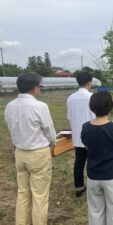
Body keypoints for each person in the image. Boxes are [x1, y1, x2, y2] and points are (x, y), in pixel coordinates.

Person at [4, 72, 56, 225]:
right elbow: (50, 132)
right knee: (39, 196)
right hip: (38, 154)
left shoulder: (10, 106)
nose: (40, 89)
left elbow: (11, 128)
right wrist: (53, 145)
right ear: (34, 88)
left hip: (19, 153)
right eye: (40, 86)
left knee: (23, 194)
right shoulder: (40, 106)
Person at [81, 91, 113, 225]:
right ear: (110, 107)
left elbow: (87, 147)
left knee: (95, 210)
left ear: (92, 107)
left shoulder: (85, 128)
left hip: (93, 175)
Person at [67, 71, 95, 197]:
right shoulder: (92, 97)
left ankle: (78, 187)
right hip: (91, 134)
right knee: (92, 161)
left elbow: (69, 116)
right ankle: (92, 187)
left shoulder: (71, 98)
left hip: (78, 134)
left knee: (79, 161)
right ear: (89, 83)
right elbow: (96, 116)